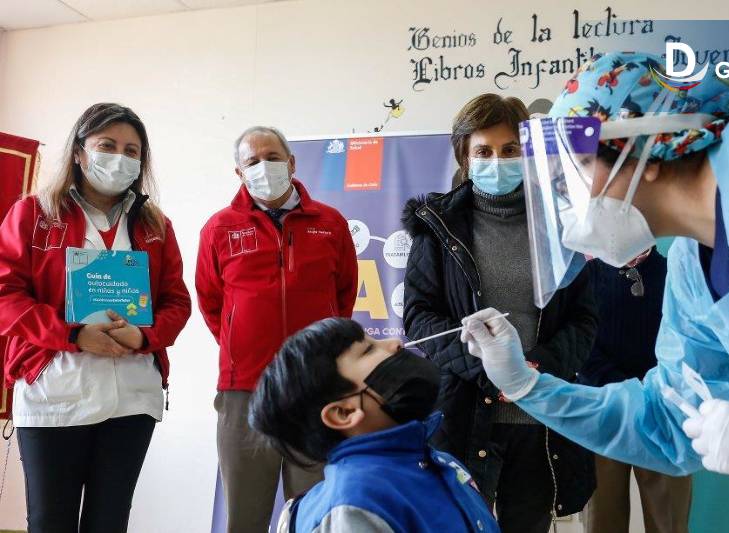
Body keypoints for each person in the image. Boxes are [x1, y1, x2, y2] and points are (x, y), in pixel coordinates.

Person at [460, 51, 729, 532]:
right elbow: (666, 419)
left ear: (646, 150)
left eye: (580, 162)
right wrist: (527, 385)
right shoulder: (694, 265)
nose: (566, 193)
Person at [402, 93, 596, 532]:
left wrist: (532, 370)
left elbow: (584, 318)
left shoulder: (563, 223)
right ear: (464, 157)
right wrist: (489, 369)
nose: (498, 160)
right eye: (484, 151)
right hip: (465, 418)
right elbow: (418, 318)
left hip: (542, 418)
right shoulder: (436, 227)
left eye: (510, 150)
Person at [0, 103, 191, 533]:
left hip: (132, 397)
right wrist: (72, 334)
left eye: (132, 150)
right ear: (79, 153)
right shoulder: (33, 214)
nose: (120, 157)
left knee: (110, 522)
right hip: (54, 391)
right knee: (51, 522)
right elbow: (5, 296)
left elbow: (177, 301)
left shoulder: (156, 225)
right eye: (107, 145)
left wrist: (145, 338)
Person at [195, 126, 358, 533]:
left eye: (272, 156)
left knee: (315, 516)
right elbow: (211, 301)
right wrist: (242, 347)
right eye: (252, 161)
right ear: (239, 173)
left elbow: (344, 297)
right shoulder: (219, 228)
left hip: (315, 389)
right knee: (244, 518)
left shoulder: (331, 223)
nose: (264, 166)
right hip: (243, 392)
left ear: (292, 162)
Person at [247, 317, 500, 533]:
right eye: (368, 350)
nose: (396, 344)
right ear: (343, 413)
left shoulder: (439, 461)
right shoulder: (354, 506)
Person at [579, 249, 692, 533]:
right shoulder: (586, 277)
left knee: (670, 523)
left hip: (664, 413)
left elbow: (688, 341)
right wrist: (625, 392)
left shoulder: (674, 273)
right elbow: (580, 345)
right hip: (603, 410)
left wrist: (651, 393)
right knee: (602, 520)